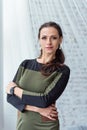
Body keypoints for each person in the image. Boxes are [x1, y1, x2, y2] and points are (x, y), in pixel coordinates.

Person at [6, 21, 70, 130]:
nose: (48, 42)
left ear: (60, 40)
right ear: (39, 40)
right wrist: (38, 109)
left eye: (53, 38)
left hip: (46, 125)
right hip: (24, 123)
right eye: (44, 38)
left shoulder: (62, 70)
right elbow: (10, 97)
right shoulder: (25, 64)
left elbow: (44, 100)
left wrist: (15, 90)